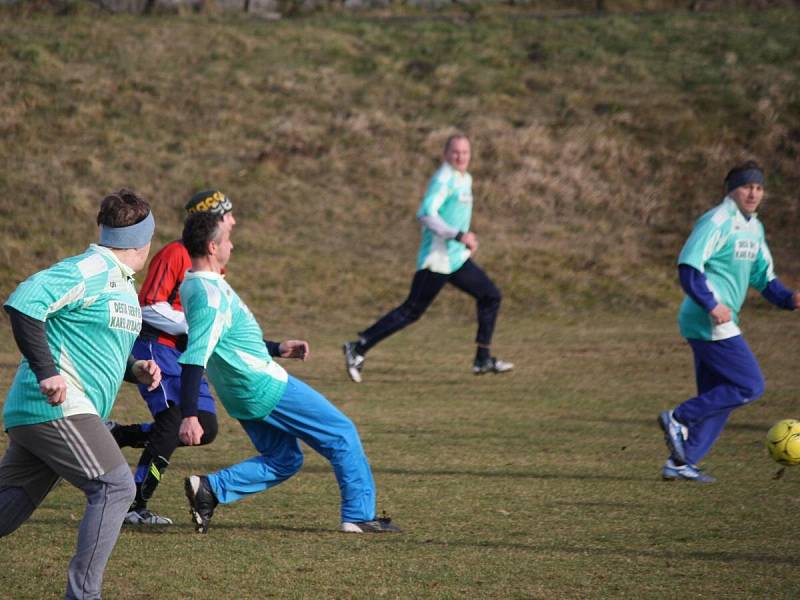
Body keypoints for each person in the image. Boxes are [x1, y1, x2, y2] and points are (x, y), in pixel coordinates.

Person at [178, 211, 400, 534]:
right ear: (213, 247)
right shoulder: (211, 296)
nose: (232, 246)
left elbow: (227, 342)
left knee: (284, 459)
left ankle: (211, 489)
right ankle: (358, 515)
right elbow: (194, 357)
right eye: (227, 240)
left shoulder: (194, 286)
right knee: (341, 433)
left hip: (242, 393)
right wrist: (189, 414)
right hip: (263, 385)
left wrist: (277, 347)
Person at [0, 190, 161, 600]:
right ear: (143, 241)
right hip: (55, 407)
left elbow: (95, 348)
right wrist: (47, 372)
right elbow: (23, 303)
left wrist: (135, 370)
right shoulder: (90, 267)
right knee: (115, 487)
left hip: (49, 412)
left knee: (7, 512)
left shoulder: (122, 286)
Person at [658, 161, 800, 483]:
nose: (753, 193)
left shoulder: (754, 227)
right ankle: (678, 418)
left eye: (759, 187)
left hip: (717, 319)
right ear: (732, 189)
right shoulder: (717, 220)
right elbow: (688, 267)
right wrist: (711, 304)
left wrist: (789, 299)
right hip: (707, 318)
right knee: (749, 385)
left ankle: (682, 462)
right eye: (746, 186)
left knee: (719, 396)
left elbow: (764, 278)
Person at [342, 133, 512, 382]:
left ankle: (482, 359)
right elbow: (426, 214)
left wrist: (465, 240)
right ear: (445, 154)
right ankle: (358, 347)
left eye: (465, 152)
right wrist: (458, 234)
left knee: (490, 296)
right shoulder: (444, 178)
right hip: (436, 259)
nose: (460, 157)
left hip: (456, 259)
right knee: (411, 311)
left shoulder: (465, 178)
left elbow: (454, 215)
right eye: (455, 152)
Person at [109, 190, 235, 526]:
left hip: (184, 354)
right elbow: (149, 305)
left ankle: (120, 435)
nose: (234, 222)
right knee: (172, 421)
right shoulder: (175, 253)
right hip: (156, 347)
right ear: (212, 219)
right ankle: (133, 504)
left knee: (204, 427)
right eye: (228, 215)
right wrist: (193, 325)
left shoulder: (214, 262)